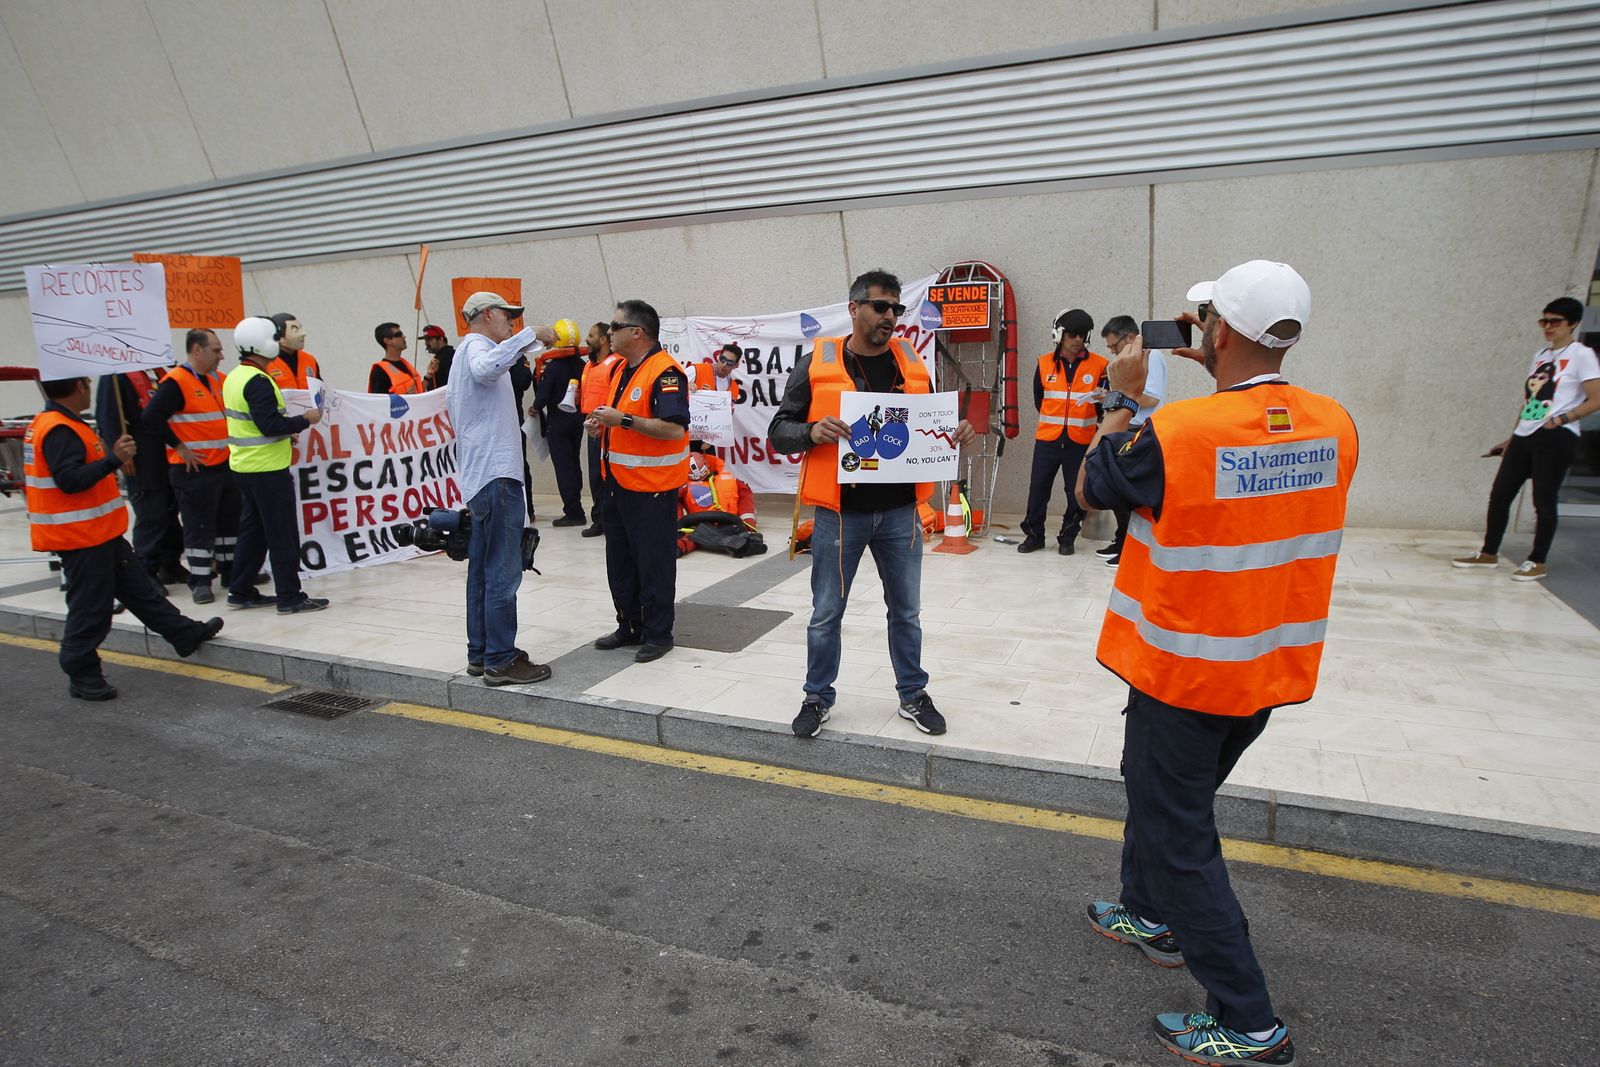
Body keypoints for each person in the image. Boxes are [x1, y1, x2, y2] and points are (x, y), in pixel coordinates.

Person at [1076, 260, 1356, 1066]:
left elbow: (1093, 489)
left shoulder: (1178, 431)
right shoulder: (1334, 422)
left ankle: (1248, 1019)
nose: (1195, 329)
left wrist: (1123, 395)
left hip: (1185, 672)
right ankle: (1147, 913)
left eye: (1204, 319)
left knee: (1177, 831)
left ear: (1218, 332)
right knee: (1159, 793)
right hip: (1262, 669)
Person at [767, 269, 976, 739]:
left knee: (906, 612)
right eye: (881, 307)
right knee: (826, 613)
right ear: (853, 308)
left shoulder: (912, 363)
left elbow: (933, 425)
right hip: (840, 516)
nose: (890, 317)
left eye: (897, 309)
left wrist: (957, 430)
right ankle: (817, 696)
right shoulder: (815, 363)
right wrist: (811, 431)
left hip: (901, 515)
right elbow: (779, 430)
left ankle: (912, 694)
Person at [24, 375, 224, 700]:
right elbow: (71, 480)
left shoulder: (57, 423)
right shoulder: (59, 429)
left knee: (141, 592)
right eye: (86, 383)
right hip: (82, 538)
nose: (89, 387)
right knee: (91, 609)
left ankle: (184, 634)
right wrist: (113, 459)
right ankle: (81, 670)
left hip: (99, 534)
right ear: (79, 388)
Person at [447, 291, 557, 685]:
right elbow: (487, 368)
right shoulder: (476, 347)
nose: (511, 322)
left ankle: (482, 653)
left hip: (484, 478)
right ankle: (500, 658)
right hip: (496, 477)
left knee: (482, 570)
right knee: (502, 572)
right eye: (508, 316)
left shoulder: (465, 353)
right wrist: (530, 335)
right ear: (488, 315)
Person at [1453, 296, 1600, 581]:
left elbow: (1596, 399)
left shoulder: (1581, 354)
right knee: (1500, 494)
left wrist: (1561, 419)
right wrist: (1511, 438)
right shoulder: (1542, 356)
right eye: (1544, 320)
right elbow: (1530, 400)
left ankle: (1537, 560)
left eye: (1555, 321)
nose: (1548, 327)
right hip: (1525, 434)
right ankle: (1489, 552)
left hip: (1556, 436)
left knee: (1543, 499)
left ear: (1573, 323)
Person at [586, 300, 689, 663]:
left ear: (637, 332)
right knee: (621, 561)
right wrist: (602, 426)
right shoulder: (620, 369)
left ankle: (658, 634)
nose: (608, 332)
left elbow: (674, 428)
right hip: (617, 484)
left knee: (654, 563)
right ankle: (629, 625)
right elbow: (621, 420)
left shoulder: (666, 372)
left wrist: (623, 421)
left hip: (652, 488)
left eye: (615, 326)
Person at [223, 316, 329, 614]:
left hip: (245, 467)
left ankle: (240, 589)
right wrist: (303, 420)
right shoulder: (258, 381)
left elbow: (256, 424)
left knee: (253, 532)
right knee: (282, 534)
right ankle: (289, 596)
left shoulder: (234, 376)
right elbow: (269, 425)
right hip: (267, 470)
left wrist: (286, 428)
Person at [142, 329, 241, 604]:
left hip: (223, 464)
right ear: (197, 350)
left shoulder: (219, 380)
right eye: (216, 350)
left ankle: (230, 573)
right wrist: (180, 447)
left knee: (228, 524)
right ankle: (200, 581)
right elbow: (151, 419)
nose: (221, 356)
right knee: (200, 528)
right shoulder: (175, 382)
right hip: (194, 471)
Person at [1020, 308, 1107, 555]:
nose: (1077, 339)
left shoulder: (1100, 365)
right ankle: (1034, 536)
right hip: (1048, 439)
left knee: (1075, 493)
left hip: (1080, 441)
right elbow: (1040, 400)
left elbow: (1102, 405)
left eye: (1082, 334)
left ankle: (1067, 537)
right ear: (1059, 335)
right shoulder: (1043, 363)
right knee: (1038, 489)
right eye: (1072, 334)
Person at [95, 366, 184, 587]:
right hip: (141, 452)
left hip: (166, 451)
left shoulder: (160, 370)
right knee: (151, 511)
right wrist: (122, 456)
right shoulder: (115, 375)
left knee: (171, 509)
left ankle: (170, 562)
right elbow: (108, 416)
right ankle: (147, 569)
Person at [1097, 314, 1167, 567]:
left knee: (1128, 490)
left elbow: (1152, 398)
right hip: (1128, 425)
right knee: (1116, 487)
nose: (1113, 352)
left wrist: (1121, 396)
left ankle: (1130, 548)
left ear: (1130, 337)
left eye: (1114, 346)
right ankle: (1120, 539)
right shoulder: (1130, 359)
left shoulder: (1151, 356)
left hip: (1141, 428)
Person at [533, 334, 588, 526]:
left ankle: (573, 511)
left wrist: (535, 407)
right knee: (574, 463)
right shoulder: (582, 364)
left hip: (558, 421)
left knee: (563, 467)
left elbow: (543, 396)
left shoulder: (553, 367)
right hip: (577, 420)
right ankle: (576, 503)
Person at [578, 322, 624, 537]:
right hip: (593, 429)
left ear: (603, 339)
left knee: (609, 477)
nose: (586, 339)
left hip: (611, 429)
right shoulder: (589, 365)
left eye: (590, 335)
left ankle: (610, 519)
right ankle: (600, 519)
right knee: (595, 477)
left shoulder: (616, 364)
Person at [676, 451, 762, 557]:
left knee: (737, 532)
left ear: (706, 464)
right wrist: (678, 522)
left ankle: (744, 542)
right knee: (691, 537)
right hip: (699, 523)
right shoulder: (683, 487)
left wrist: (747, 521)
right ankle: (678, 548)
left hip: (729, 521)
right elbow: (673, 501)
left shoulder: (730, 478)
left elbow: (745, 495)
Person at [686, 342, 745, 454]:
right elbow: (674, 383)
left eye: (730, 363)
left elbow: (723, 418)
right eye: (722, 359)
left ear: (736, 365)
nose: (724, 365)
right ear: (718, 357)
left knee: (708, 469)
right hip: (685, 433)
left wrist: (712, 439)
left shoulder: (733, 388)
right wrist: (685, 385)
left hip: (706, 439)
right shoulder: (697, 370)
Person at [265, 313, 324, 391]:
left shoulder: (310, 360)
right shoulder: (265, 363)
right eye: (295, 330)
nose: (303, 334)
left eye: (300, 328)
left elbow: (321, 393)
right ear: (279, 337)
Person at [368, 323, 425, 395]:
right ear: (387, 341)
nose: (404, 337)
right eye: (399, 335)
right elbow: (379, 403)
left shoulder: (404, 363)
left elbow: (418, 390)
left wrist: (428, 377)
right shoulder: (380, 372)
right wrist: (405, 396)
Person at [420, 324, 455, 389]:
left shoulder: (448, 356)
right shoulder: (441, 356)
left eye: (429, 339)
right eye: (425, 340)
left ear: (441, 340)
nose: (426, 343)